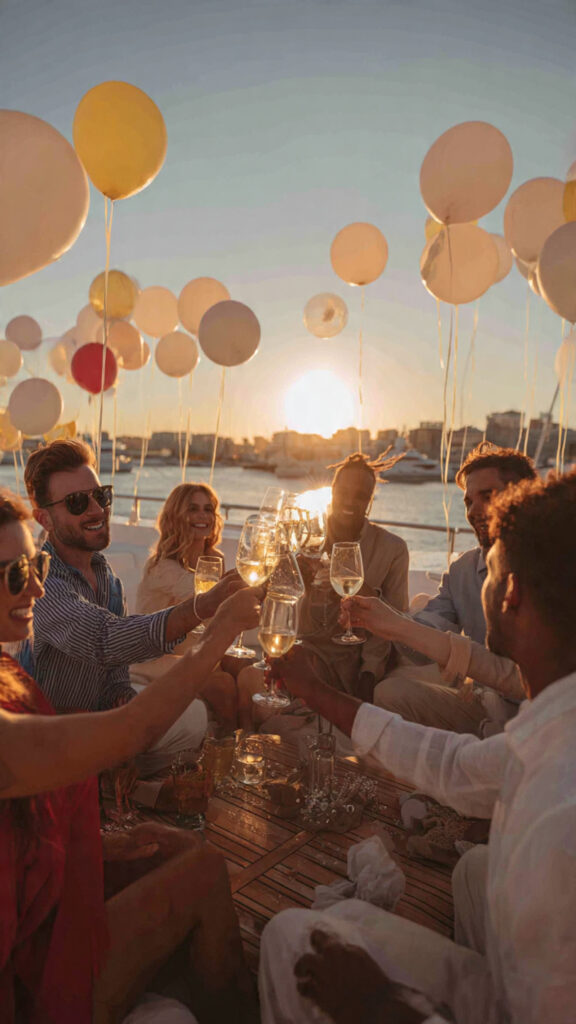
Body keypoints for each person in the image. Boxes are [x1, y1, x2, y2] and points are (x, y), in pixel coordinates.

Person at [259, 470, 576, 1024]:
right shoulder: (554, 726)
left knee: (291, 938)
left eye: (492, 569)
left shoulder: (558, 822)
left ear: (511, 594)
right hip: (514, 986)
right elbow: (454, 766)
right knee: (470, 870)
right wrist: (317, 692)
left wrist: (383, 1004)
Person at [0, 489, 261, 1023]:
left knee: (182, 851)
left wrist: (102, 847)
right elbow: (133, 729)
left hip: (43, 894)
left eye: (37, 565)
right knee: (205, 870)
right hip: (33, 972)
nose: (37, 587)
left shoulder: (9, 675)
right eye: (15, 574)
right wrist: (220, 631)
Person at [21, 440, 243, 770]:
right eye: (77, 502)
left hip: (100, 722)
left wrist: (123, 698)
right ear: (45, 519)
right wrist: (203, 605)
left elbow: (115, 673)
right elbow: (104, 638)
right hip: (52, 735)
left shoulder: (106, 575)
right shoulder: (41, 583)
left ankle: (130, 782)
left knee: (194, 718)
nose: (97, 510)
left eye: (101, 496)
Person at [237, 451, 409, 731]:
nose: (351, 501)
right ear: (331, 492)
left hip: (350, 661)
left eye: (361, 496)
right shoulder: (306, 536)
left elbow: (394, 624)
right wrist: (293, 578)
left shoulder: (392, 549)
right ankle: (246, 746)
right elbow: (273, 599)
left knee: (282, 712)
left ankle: (288, 724)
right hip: (299, 648)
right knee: (247, 679)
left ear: (370, 501)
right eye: (344, 492)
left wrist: (368, 674)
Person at [373, 442, 537, 735]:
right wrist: (382, 617)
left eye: (488, 496)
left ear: (524, 498)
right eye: (468, 501)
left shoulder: (554, 571)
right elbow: (422, 649)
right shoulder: (463, 570)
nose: (473, 511)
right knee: (388, 694)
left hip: (543, 720)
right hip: (487, 707)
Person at [134, 483, 237, 732]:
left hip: (195, 650)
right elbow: (208, 598)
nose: (203, 516)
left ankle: (249, 734)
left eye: (208, 509)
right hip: (156, 656)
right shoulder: (161, 567)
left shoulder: (214, 559)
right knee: (222, 685)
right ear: (176, 516)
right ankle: (231, 741)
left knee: (247, 669)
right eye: (193, 509)